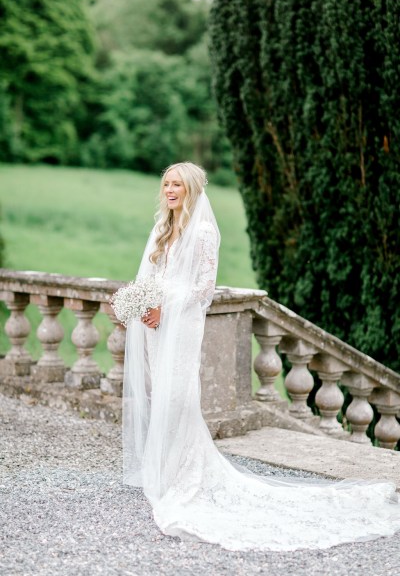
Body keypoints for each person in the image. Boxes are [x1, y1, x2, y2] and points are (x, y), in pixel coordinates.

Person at [123, 161, 400, 551]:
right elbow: (149, 277)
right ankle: (165, 470)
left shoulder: (203, 232)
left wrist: (166, 307)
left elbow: (204, 288)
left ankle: (185, 473)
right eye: (166, 183)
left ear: (191, 190)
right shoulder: (161, 227)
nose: (169, 190)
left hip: (181, 323)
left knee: (179, 393)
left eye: (177, 185)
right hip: (156, 324)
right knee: (161, 391)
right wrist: (143, 304)